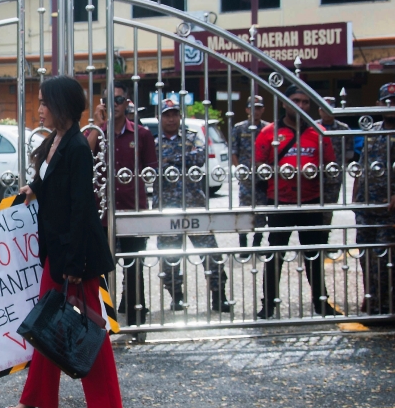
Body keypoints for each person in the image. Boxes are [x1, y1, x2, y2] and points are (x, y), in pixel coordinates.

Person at [8, 76, 121, 408]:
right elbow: (53, 181)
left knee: (88, 329)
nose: (39, 109)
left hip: (75, 256)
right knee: (48, 324)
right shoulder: (56, 141)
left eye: (44, 103)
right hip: (55, 252)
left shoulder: (76, 147)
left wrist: (73, 263)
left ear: (62, 107)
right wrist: (35, 187)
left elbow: (81, 208)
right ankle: (37, 398)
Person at [254, 85, 339, 319]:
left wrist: (326, 206)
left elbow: (331, 170)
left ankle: (321, 303)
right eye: (295, 101)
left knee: (313, 255)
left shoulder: (319, 133)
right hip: (280, 203)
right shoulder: (268, 133)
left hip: (311, 202)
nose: (300, 106)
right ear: (284, 102)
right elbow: (258, 169)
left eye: (305, 102)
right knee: (275, 256)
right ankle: (268, 305)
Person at [87, 83, 158, 325]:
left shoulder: (142, 135)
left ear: (127, 103)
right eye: (108, 100)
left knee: (134, 266)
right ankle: (106, 321)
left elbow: (151, 171)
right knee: (103, 270)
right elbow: (84, 156)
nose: (113, 105)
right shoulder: (96, 133)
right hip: (102, 213)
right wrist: (98, 125)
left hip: (132, 210)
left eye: (118, 100)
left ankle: (137, 318)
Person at [153, 98, 230, 313]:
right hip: (167, 209)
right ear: (161, 117)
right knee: (169, 258)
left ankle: (219, 296)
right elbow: (151, 162)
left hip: (194, 205)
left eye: (174, 114)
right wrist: (179, 158)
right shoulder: (153, 142)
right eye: (167, 114)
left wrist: (170, 159)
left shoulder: (193, 137)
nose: (171, 118)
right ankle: (176, 296)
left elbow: (199, 158)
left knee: (210, 254)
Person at [352, 83, 395, 314]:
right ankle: (372, 300)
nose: (391, 105)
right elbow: (362, 164)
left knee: (387, 260)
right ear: (378, 104)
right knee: (366, 257)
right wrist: (356, 195)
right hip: (367, 207)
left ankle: (389, 310)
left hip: (393, 208)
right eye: (386, 101)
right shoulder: (372, 129)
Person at [229, 95, 271, 249]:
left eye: (259, 108)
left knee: (261, 211)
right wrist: (239, 169)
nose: (256, 111)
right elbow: (233, 151)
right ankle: (243, 244)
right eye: (253, 108)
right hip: (246, 177)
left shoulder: (268, 128)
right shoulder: (239, 128)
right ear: (247, 109)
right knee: (245, 210)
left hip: (263, 178)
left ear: (263, 109)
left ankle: (257, 244)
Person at [318, 96, 353, 224]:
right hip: (313, 176)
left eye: (330, 109)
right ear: (319, 110)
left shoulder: (343, 129)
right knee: (313, 209)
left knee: (328, 209)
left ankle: (325, 236)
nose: (327, 112)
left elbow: (349, 153)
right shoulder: (312, 127)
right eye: (324, 109)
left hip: (334, 177)